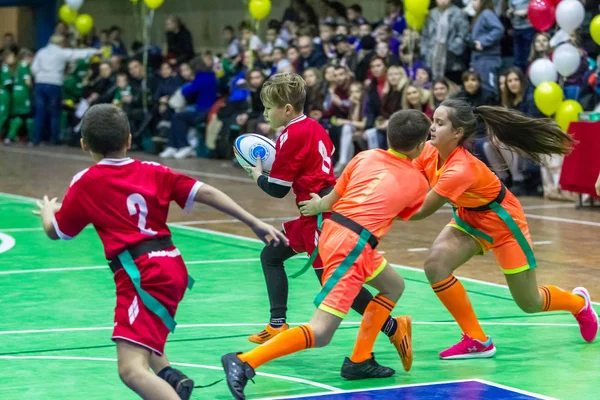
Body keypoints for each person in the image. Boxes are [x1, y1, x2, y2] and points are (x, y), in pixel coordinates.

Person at [33, 104, 288, 400]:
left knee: (130, 369)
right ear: (129, 138)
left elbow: (57, 232)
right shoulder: (153, 170)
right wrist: (253, 222)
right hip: (170, 265)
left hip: (142, 273)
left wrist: (48, 212)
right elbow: (205, 191)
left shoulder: (86, 182)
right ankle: (172, 379)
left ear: (83, 145)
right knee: (143, 334)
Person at [222, 109, 431, 399]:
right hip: (353, 245)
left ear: (387, 135)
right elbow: (413, 214)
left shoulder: (365, 156)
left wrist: (319, 207)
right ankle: (245, 361)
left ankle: (362, 358)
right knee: (320, 333)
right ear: (421, 147)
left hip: (335, 228)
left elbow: (334, 197)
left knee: (394, 285)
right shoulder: (418, 181)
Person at [409, 99, 598, 359]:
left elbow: (421, 211)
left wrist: (376, 210)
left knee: (529, 303)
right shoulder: (428, 152)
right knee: (435, 266)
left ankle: (579, 304)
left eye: (440, 123)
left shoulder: (460, 169)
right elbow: (407, 175)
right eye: (433, 120)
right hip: (469, 217)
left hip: (503, 222)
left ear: (457, 133)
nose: (432, 127)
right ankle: (477, 339)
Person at [243, 73, 409, 360]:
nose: (265, 113)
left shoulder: (291, 135)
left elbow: (278, 190)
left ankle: (394, 327)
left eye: (268, 107)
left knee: (338, 287)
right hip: (316, 211)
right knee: (270, 255)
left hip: (321, 218)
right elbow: (317, 160)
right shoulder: (314, 127)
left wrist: (257, 174)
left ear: (286, 109)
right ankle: (277, 324)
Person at [30, 35, 99, 145]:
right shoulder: (61, 52)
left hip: (40, 84)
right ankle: (53, 140)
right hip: (54, 84)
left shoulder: (41, 52)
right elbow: (76, 54)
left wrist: (41, 76)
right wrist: (94, 51)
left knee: (40, 112)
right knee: (54, 113)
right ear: (61, 43)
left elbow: (33, 68)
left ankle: (36, 139)